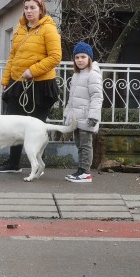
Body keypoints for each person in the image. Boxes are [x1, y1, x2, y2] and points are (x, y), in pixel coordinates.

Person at [0, 0, 63, 173]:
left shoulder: (48, 29)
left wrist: (32, 71)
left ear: (41, 9)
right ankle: (13, 163)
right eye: (26, 8)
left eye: (33, 7)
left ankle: (38, 165)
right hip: (17, 83)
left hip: (40, 85)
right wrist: (5, 79)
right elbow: (13, 56)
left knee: (36, 126)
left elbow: (55, 57)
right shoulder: (19, 28)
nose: (29, 11)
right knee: (14, 124)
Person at [62, 41, 103, 182]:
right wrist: (67, 114)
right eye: (77, 57)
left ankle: (85, 172)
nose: (80, 60)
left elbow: (97, 97)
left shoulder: (93, 74)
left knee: (86, 145)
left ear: (89, 58)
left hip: (86, 118)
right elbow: (71, 99)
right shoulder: (77, 75)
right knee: (79, 144)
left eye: (83, 57)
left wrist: (93, 116)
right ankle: (80, 170)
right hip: (76, 118)